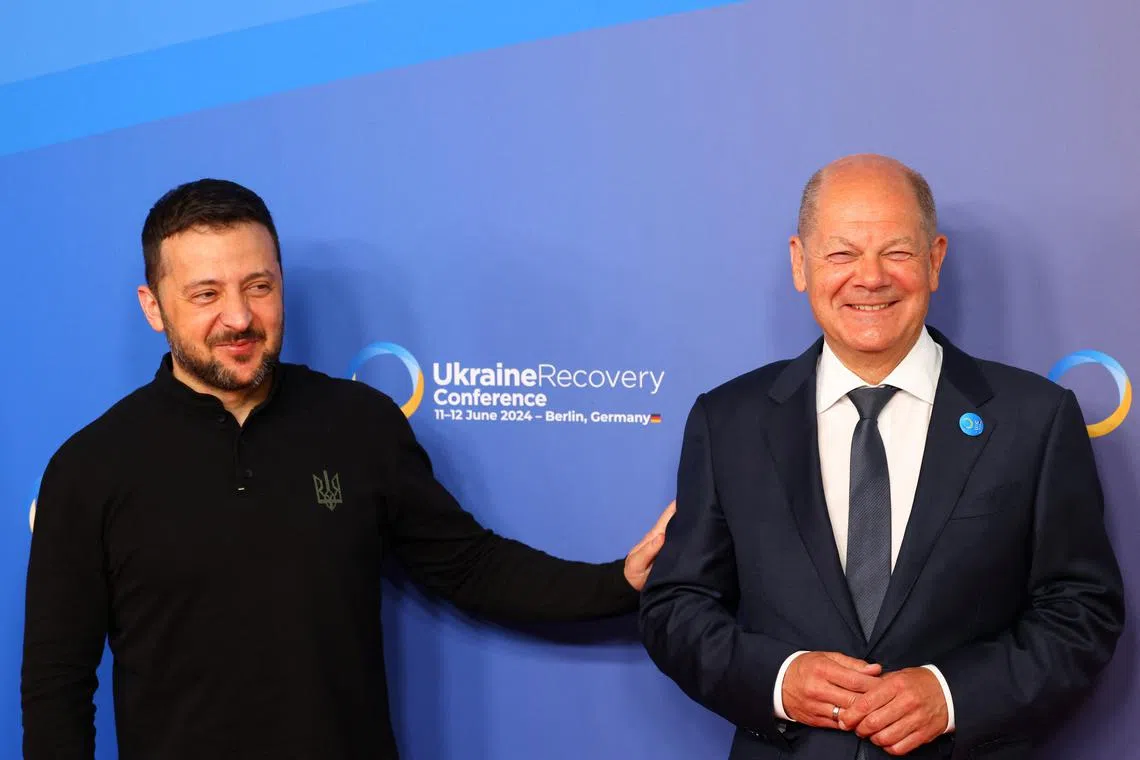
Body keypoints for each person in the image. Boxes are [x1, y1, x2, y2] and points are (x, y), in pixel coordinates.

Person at [22, 178, 674, 760]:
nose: (240, 316)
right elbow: (57, 685)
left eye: (259, 286)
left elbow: (470, 565)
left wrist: (617, 581)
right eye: (206, 294)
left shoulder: (359, 424)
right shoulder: (90, 468)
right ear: (153, 306)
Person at [640, 154, 1124, 759]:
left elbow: (1080, 611)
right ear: (800, 262)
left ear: (934, 259)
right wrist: (778, 680)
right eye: (841, 254)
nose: (870, 278)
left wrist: (952, 694)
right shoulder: (729, 420)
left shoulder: (1035, 418)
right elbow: (676, 607)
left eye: (896, 251)